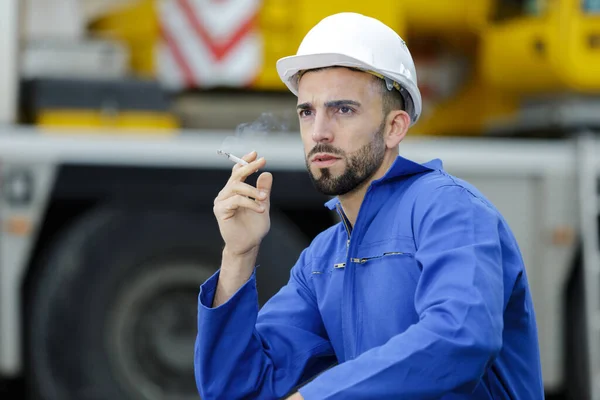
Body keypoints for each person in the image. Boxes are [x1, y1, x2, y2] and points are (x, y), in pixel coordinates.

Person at [194, 12, 544, 400]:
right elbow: (237, 390)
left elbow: (461, 337)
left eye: (343, 109)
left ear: (395, 127)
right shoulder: (322, 260)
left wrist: (316, 397)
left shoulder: (450, 211)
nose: (319, 132)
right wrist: (238, 255)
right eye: (307, 111)